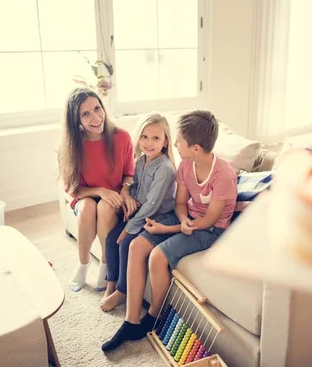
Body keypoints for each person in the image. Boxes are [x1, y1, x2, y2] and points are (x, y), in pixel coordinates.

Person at [102, 110, 238, 352]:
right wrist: (181, 219)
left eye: (178, 141)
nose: (174, 144)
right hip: (185, 219)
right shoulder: (186, 165)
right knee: (135, 245)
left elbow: (207, 221)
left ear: (196, 148)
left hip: (209, 230)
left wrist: (169, 227)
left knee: (157, 256)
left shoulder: (224, 176)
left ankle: (152, 316)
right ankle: (131, 320)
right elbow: (180, 204)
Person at [58, 87, 135, 292]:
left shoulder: (122, 137)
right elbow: (73, 188)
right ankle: (83, 265)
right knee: (87, 209)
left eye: (97, 109)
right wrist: (100, 191)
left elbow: (129, 173)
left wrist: (124, 190)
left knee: (106, 208)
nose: (96, 117)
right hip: (86, 196)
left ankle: (105, 265)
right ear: (76, 120)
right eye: (86, 114)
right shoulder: (73, 145)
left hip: (115, 198)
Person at [101, 113, 177, 312]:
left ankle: (122, 291)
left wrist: (130, 227)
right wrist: (129, 202)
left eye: (155, 138)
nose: (149, 143)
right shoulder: (140, 161)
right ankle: (112, 281)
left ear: (165, 141)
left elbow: (152, 204)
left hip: (158, 217)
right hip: (140, 213)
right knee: (111, 239)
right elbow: (135, 187)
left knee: (125, 241)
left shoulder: (165, 169)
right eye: (144, 137)